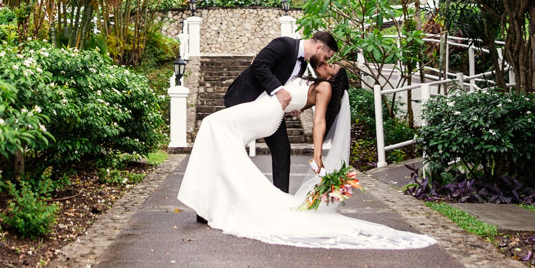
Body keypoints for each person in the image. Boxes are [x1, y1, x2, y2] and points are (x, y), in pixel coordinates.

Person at [177, 61, 436, 250]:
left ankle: (214, 196)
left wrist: (317, 154)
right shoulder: (315, 81)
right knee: (219, 135)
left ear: (333, 79)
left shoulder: (324, 88)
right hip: (268, 108)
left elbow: (319, 121)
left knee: (213, 124)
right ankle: (214, 197)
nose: (327, 64)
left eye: (331, 67)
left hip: (268, 113)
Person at [223, 30, 338, 193]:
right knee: (230, 151)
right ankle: (211, 204)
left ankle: (281, 200)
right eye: (326, 58)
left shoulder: (303, 64)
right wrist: (278, 90)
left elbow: (288, 87)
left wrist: (290, 109)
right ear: (318, 47)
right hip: (244, 101)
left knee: (282, 149)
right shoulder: (284, 44)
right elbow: (259, 64)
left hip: (269, 111)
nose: (324, 62)